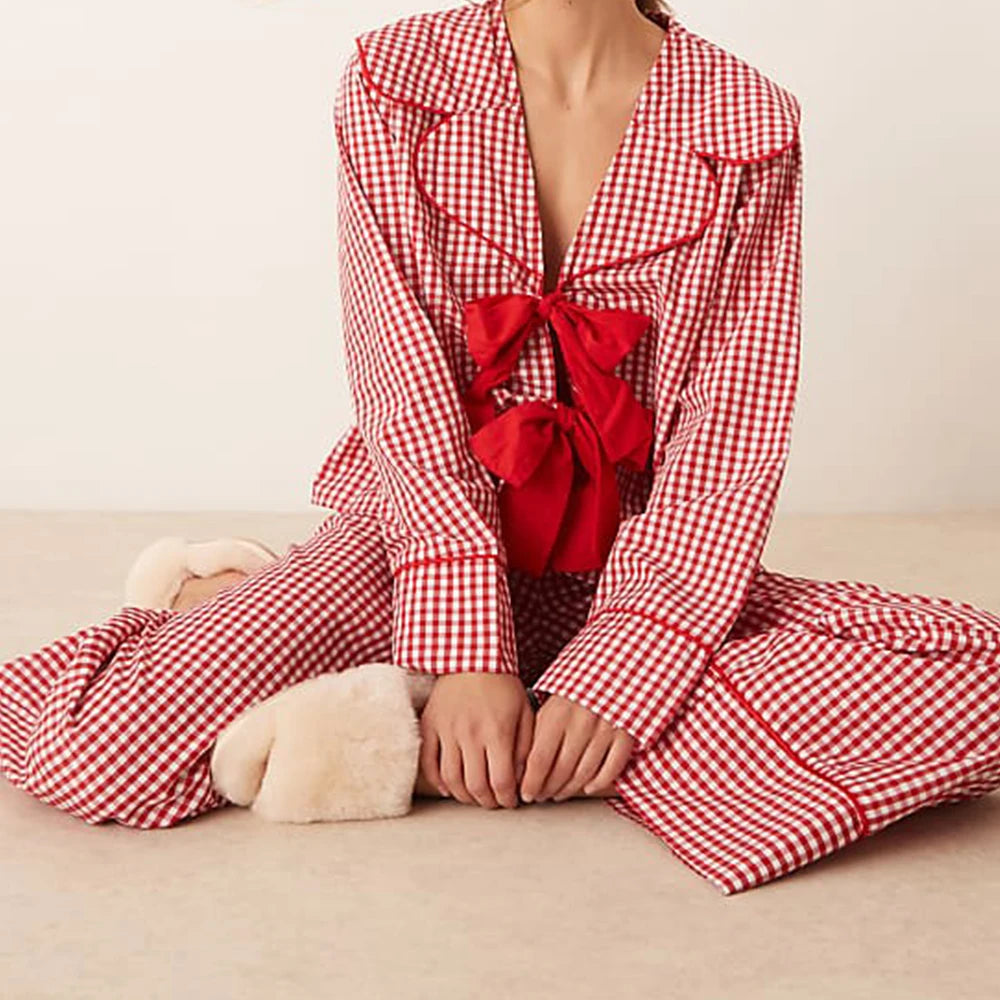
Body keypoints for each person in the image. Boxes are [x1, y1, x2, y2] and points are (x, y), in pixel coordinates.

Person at [3, 0, 999, 897]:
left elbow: (729, 438)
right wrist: (466, 649)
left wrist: (627, 667)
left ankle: (377, 722)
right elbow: (401, 383)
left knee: (978, 685)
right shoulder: (399, 76)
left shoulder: (746, 121)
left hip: (635, 571)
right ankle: (405, 688)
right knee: (102, 755)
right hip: (416, 546)